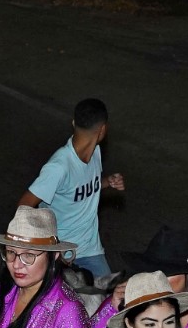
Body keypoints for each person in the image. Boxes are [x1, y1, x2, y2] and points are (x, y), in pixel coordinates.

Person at [18, 98, 124, 278]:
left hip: (90, 250)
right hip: (59, 254)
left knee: (108, 294)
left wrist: (107, 182)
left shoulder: (95, 153)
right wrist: (51, 247)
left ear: (74, 123)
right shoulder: (59, 167)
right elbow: (24, 206)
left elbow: (81, 187)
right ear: (103, 129)